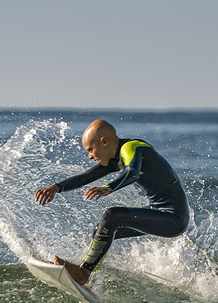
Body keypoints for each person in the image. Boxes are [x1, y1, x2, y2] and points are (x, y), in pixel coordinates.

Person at [34, 119, 189, 285]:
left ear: (104, 141)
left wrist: (108, 188)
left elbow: (133, 173)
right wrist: (56, 187)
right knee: (101, 230)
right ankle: (89, 275)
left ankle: (83, 273)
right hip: (158, 212)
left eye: (91, 150)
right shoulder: (114, 158)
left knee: (112, 215)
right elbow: (86, 177)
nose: (90, 156)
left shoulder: (131, 148)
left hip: (173, 219)